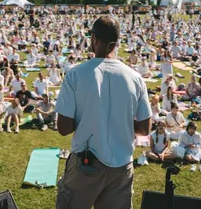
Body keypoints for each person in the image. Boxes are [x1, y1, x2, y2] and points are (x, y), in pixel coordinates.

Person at [55, 16, 151, 209]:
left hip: (86, 164)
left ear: (94, 39)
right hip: (121, 166)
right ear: (117, 42)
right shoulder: (135, 78)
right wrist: (117, 121)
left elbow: (63, 128)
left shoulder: (75, 74)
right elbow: (144, 127)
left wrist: (91, 118)